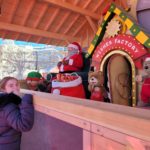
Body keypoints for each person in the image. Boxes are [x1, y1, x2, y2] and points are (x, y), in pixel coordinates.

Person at [0, 76, 34, 150]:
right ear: (3, 89)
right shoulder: (8, 105)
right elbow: (24, 125)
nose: (16, 87)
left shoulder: (3, 101)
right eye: (11, 85)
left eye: (17, 84)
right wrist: (26, 100)